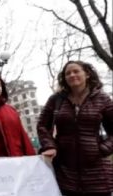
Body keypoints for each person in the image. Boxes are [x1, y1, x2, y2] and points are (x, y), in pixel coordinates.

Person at [38, 61, 113, 196]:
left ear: (87, 74)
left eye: (76, 71)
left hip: (98, 171)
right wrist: (49, 146)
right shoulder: (56, 99)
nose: (72, 75)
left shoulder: (102, 98)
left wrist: (103, 148)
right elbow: (42, 125)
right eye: (68, 73)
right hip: (65, 170)